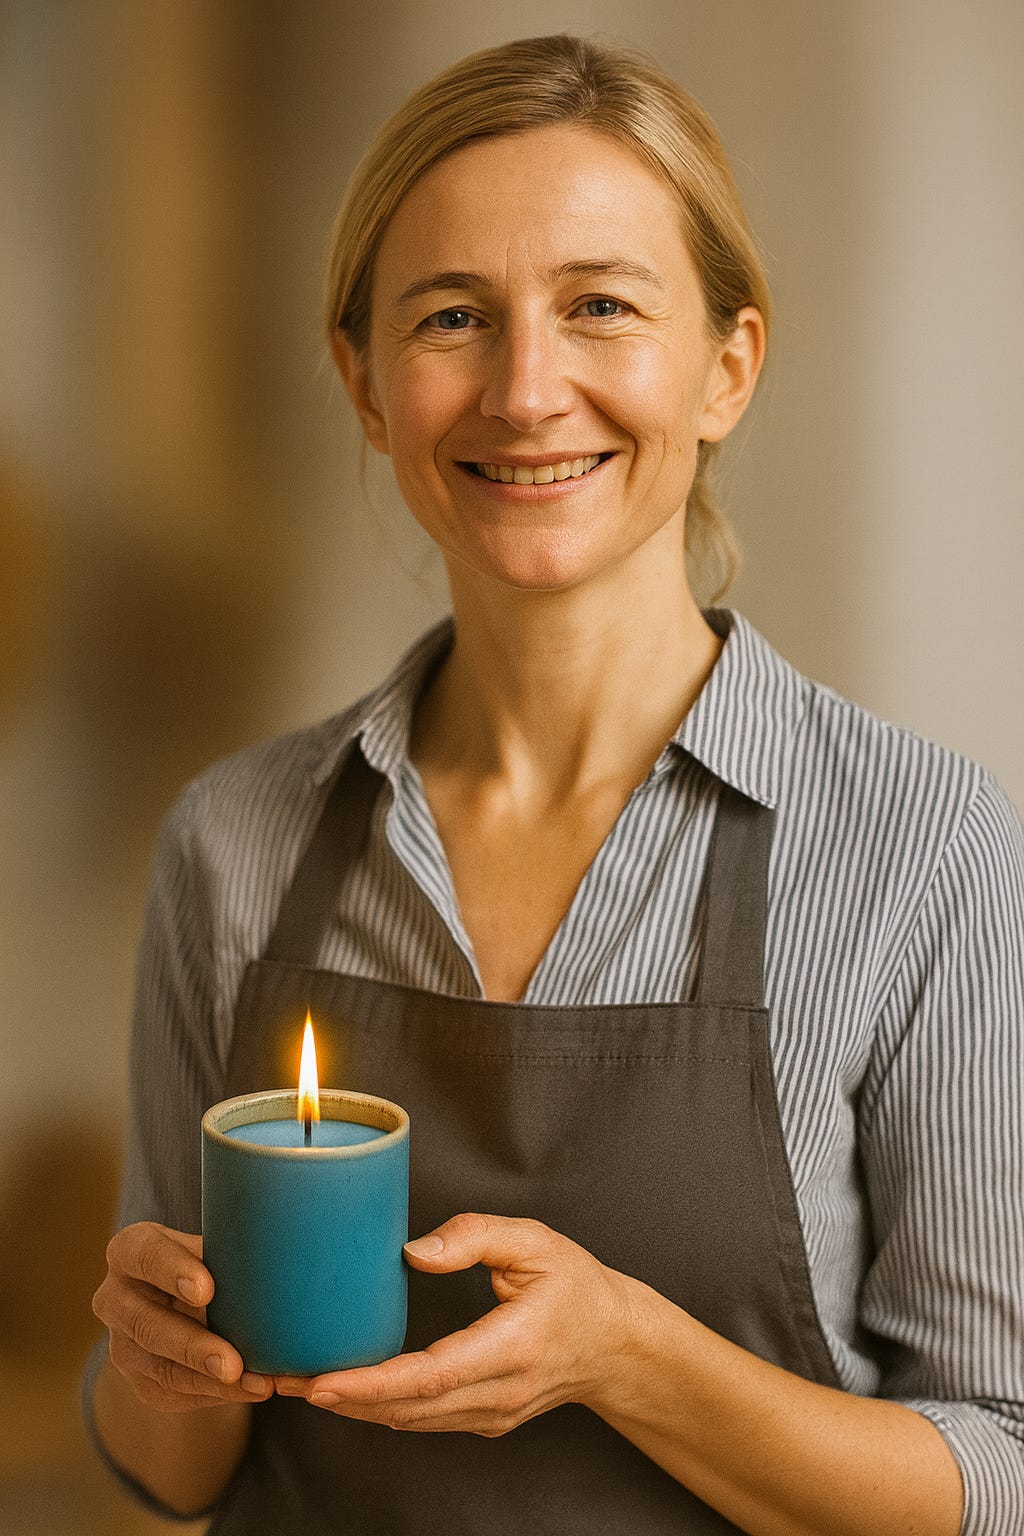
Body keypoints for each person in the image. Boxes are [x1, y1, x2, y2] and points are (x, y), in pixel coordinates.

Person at [87, 33, 1024, 1535]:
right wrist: (150, 1363)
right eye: (453, 318)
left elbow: (999, 1467)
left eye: (600, 307)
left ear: (726, 366)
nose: (527, 391)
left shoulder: (922, 847)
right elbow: (163, 1462)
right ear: (366, 382)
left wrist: (631, 1360)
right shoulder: (237, 840)